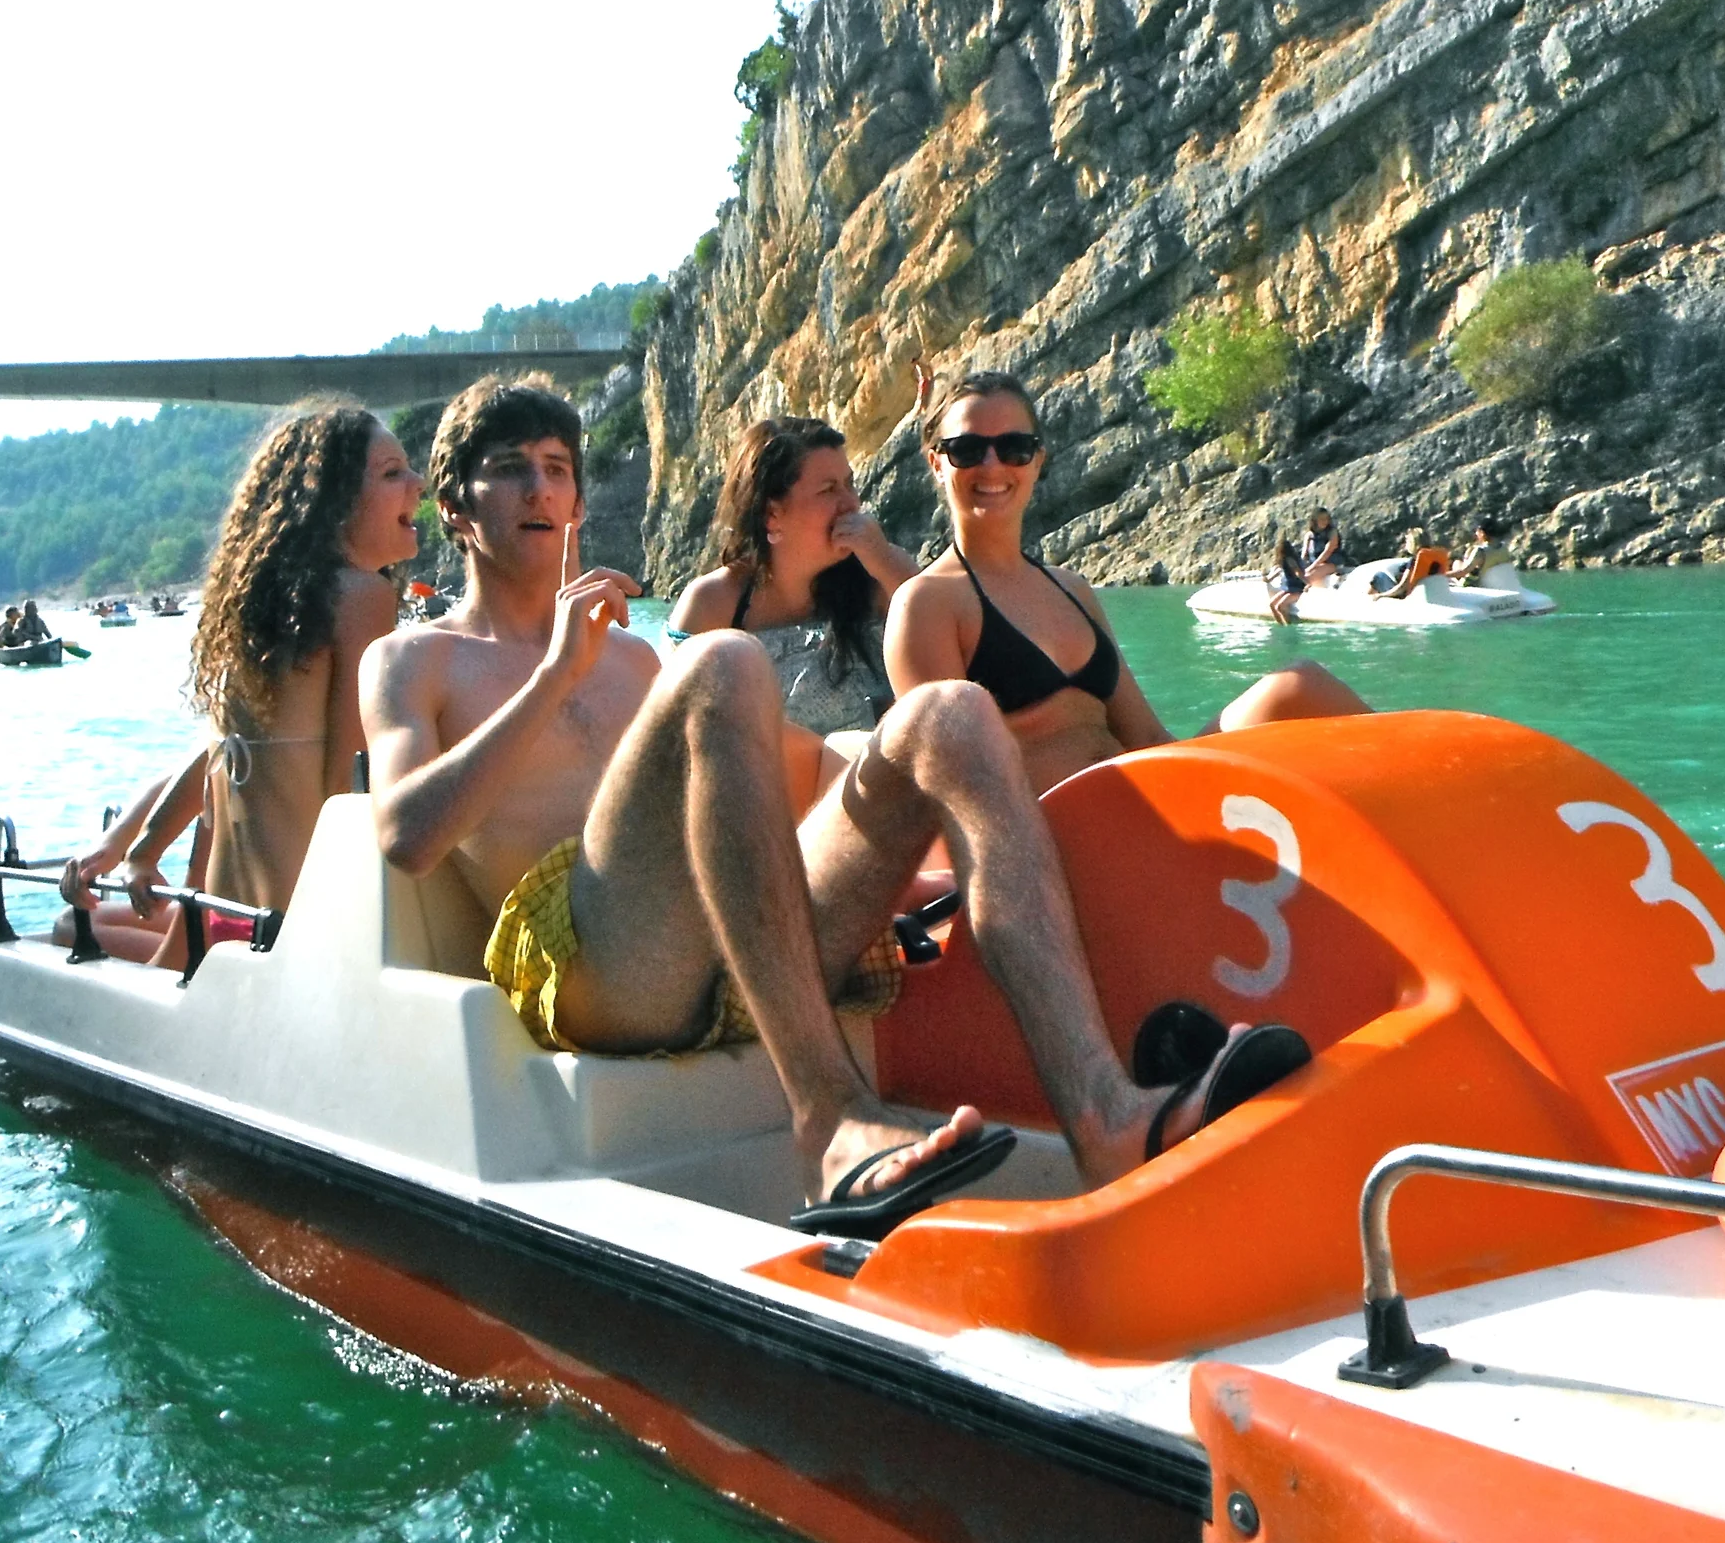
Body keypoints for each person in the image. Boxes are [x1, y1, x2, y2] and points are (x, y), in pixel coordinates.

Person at [364, 378, 1296, 1236]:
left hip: (734, 945)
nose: (539, 489)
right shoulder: (416, 661)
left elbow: (803, 768)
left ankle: (1106, 1111)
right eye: (508, 471)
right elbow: (405, 835)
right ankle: (829, 1119)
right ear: (454, 507)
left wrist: (907, 835)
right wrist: (554, 675)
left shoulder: (632, 661)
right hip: (599, 973)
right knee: (724, 660)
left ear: (575, 499)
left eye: (556, 470)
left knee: (948, 714)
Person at [886, 370, 1369, 798]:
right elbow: (958, 795)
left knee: (1298, 686)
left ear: (1036, 461)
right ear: (936, 463)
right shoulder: (927, 603)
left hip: (1144, 797)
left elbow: (1147, 738)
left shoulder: (1071, 589)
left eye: (1014, 448)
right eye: (968, 450)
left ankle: (1433, 811)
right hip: (1059, 840)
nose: (992, 466)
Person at [64, 398, 426, 964]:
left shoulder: (271, 613)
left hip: (226, 913)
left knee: (72, 927)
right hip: (296, 925)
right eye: (392, 473)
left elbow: (221, 753)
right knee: (79, 927)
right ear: (332, 504)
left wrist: (140, 848)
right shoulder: (363, 595)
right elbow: (349, 785)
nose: (418, 483)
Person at [668, 416, 920, 805]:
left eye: (850, 484)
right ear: (772, 513)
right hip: (765, 813)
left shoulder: (880, 579)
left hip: (880, 802)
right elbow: (678, 737)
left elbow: (944, 655)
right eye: (828, 490)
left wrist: (885, 560)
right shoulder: (714, 604)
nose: (851, 503)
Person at [1370, 527, 1453, 600]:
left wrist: (1381, 595)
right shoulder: (1435, 559)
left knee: (1379, 576)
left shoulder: (1415, 561)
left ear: (1413, 543)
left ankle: (1369, 600)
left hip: (1406, 596)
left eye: (1407, 541)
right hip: (1432, 594)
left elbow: (1402, 587)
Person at [1268, 537, 1306, 624]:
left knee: (1280, 606)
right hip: (1287, 588)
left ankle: (1288, 625)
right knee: (1272, 604)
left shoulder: (1290, 560)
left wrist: (1306, 583)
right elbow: (1279, 570)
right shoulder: (1284, 560)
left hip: (1296, 588)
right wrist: (1269, 579)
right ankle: (1281, 624)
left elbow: (1298, 572)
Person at [1300, 507, 1342, 586]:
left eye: (1327, 518)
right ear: (1315, 520)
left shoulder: (1332, 532)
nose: (1325, 521)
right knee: (1298, 577)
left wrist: (1311, 567)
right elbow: (1304, 556)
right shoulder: (1309, 535)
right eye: (1322, 519)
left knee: (1306, 578)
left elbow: (1328, 551)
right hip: (1315, 565)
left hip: (1332, 564)